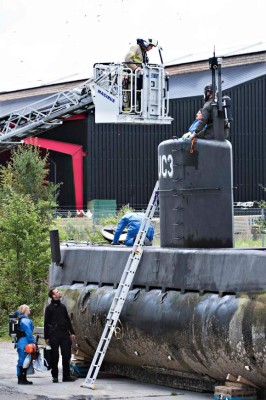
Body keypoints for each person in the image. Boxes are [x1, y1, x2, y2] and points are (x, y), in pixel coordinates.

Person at [44, 287, 76, 383]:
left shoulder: (63, 307)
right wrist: (46, 337)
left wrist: (72, 332)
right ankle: (55, 376)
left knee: (66, 355)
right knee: (55, 356)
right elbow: (46, 323)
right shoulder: (49, 308)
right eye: (57, 292)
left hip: (64, 334)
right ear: (54, 296)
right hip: (54, 334)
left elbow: (67, 320)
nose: (59, 292)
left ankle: (66, 376)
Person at [123, 38, 158, 111]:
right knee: (131, 91)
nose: (151, 48)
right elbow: (127, 59)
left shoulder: (144, 52)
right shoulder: (136, 48)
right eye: (151, 46)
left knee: (139, 92)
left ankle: (136, 108)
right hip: (131, 74)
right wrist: (135, 68)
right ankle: (128, 108)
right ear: (146, 44)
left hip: (138, 76)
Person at [15, 304, 35, 385]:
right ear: (25, 310)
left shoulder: (20, 319)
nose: (29, 310)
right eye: (28, 309)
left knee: (21, 359)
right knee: (25, 359)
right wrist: (33, 342)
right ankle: (22, 379)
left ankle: (21, 378)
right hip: (25, 341)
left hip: (20, 341)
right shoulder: (25, 320)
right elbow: (29, 332)